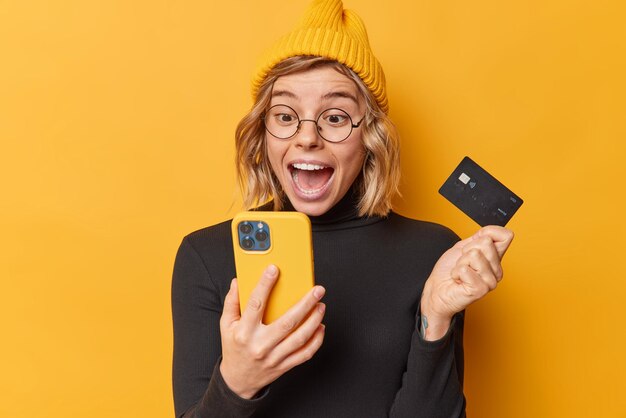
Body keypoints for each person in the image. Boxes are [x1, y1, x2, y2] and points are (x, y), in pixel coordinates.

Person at [171, 1, 514, 417]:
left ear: (370, 137)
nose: (307, 138)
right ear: (263, 134)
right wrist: (237, 383)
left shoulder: (433, 252)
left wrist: (435, 318)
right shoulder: (205, 255)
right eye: (285, 115)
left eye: (335, 117)